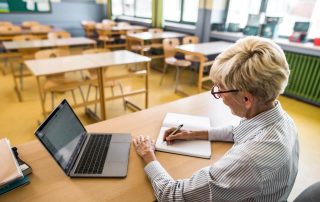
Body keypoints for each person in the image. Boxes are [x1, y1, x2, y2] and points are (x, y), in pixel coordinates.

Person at [133, 36, 299, 201]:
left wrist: (148, 154)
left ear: (246, 99)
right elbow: (238, 132)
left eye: (220, 89)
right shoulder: (282, 120)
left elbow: (173, 195)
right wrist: (191, 134)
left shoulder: (248, 160)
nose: (218, 95)